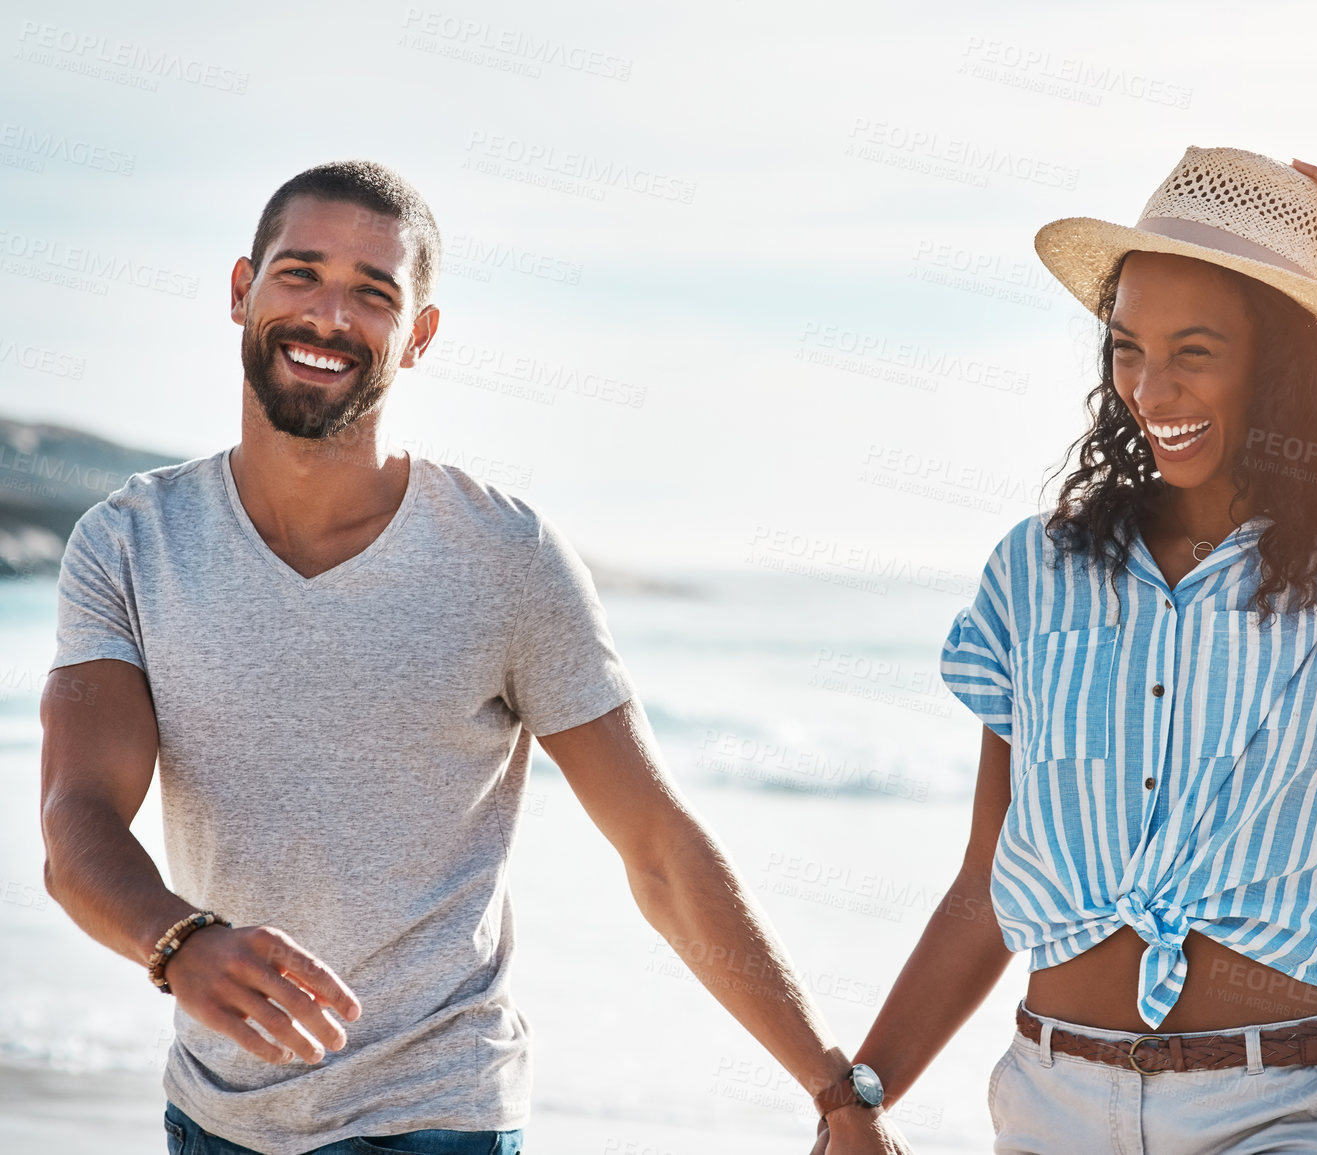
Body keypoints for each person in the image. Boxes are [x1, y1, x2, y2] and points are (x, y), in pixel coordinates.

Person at [37, 160, 911, 1155]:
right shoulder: (131, 542)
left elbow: (659, 847)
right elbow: (78, 822)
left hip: (440, 1118)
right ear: (242, 290)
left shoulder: (505, 557)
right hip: (216, 1117)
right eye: (300, 276)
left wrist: (835, 1088)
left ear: (419, 337)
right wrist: (179, 942)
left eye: (373, 294)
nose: (329, 316)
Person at [833, 146, 1317, 1153]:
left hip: (1285, 1111)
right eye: (1127, 348)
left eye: (1194, 351)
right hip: (1051, 1107)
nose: (1151, 388)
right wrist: (865, 1088)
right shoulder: (1037, 572)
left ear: (1282, 362)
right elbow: (985, 886)